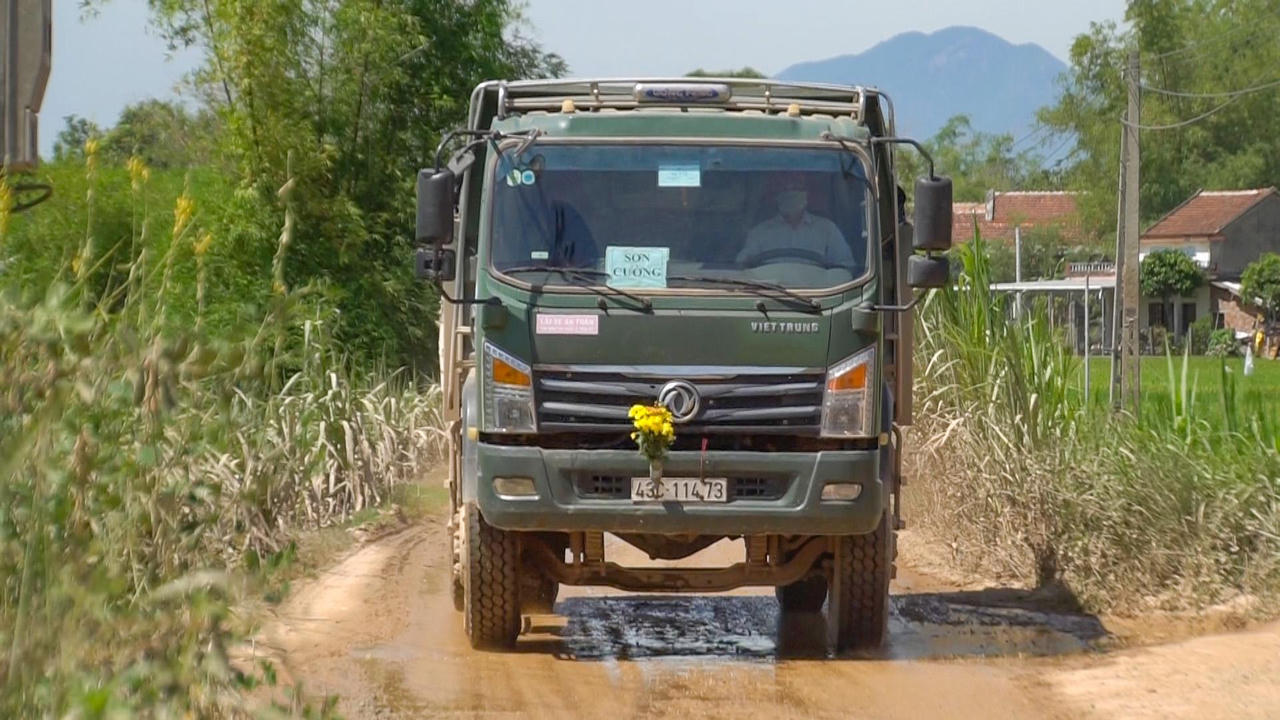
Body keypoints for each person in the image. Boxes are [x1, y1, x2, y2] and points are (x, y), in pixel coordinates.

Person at [737, 174, 855, 268]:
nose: (791, 192)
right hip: (770, 293)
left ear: (807, 194)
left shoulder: (827, 229)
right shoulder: (760, 232)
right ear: (776, 196)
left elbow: (845, 266)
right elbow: (742, 265)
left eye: (796, 187)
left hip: (818, 293)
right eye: (785, 189)